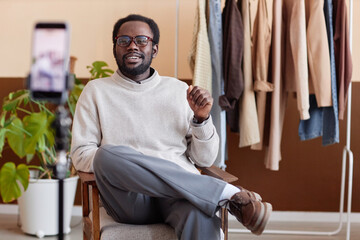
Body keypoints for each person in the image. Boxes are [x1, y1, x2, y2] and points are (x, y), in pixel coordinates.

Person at [70, 14, 272, 240]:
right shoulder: (96, 91)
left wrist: (201, 120)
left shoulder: (179, 91)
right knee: (105, 155)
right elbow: (81, 154)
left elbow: (204, 160)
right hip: (128, 200)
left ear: (154, 49)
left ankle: (212, 194)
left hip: (179, 198)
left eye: (142, 40)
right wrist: (136, 166)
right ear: (115, 47)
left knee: (200, 214)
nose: (132, 46)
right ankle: (226, 195)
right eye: (124, 40)